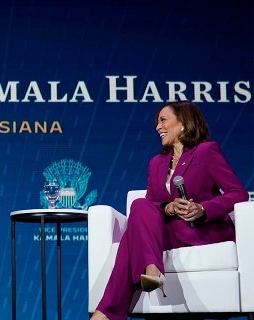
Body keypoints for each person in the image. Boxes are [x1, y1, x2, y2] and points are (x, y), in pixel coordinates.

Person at [90, 101, 248, 320]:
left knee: (131, 238)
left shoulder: (206, 152)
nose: (157, 127)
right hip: (166, 233)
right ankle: (152, 268)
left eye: (163, 120)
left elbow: (238, 193)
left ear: (183, 123)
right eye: (157, 122)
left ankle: (106, 313)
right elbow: (152, 203)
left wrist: (202, 208)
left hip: (199, 231)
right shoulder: (157, 162)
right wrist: (168, 207)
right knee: (139, 205)